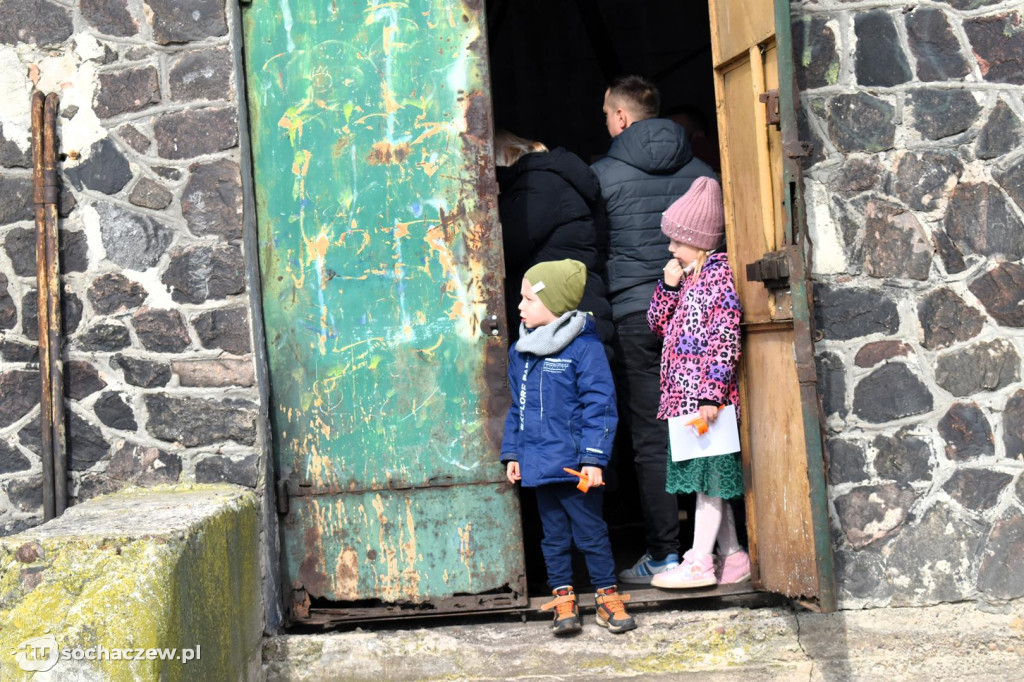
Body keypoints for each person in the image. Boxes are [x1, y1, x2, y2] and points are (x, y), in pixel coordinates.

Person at [591, 75, 716, 583]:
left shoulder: (600, 176)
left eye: (605, 114)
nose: (606, 123)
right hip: (696, 315)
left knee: (649, 434)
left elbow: (596, 249)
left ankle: (665, 553)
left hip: (637, 315)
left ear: (621, 117)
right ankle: (717, 549)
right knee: (708, 428)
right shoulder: (705, 172)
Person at [500, 259, 636, 635]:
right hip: (539, 463)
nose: (519, 306)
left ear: (554, 305)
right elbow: (519, 406)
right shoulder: (521, 351)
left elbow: (600, 406)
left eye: (528, 299)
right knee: (554, 535)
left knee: (590, 532)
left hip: (575, 465)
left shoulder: (583, 348)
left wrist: (594, 458)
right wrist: (513, 452)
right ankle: (564, 599)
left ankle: (607, 597)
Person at [644, 177, 750, 589]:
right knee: (708, 482)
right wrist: (667, 286)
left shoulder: (717, 279)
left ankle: (699, 561)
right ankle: (734, 557)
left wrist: (712, 391)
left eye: (677, 242)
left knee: (709, 484)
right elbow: (655, 323)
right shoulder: (686, 279)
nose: (670, 249)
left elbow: (725, 337)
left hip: (707, 403)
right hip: (682, 402)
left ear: (700, 242)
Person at [495, 131, 613, 347]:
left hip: (562, 320)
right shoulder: (549, 179)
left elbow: (502, 249)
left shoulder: (538, 184)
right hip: (568, 314)